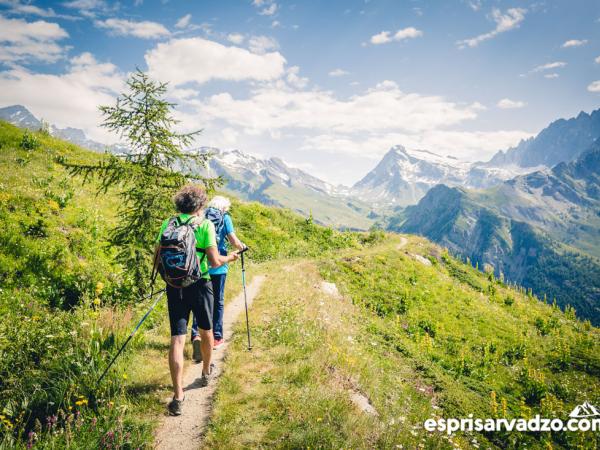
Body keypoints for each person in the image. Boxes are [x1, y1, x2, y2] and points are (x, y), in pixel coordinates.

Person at [156, 185, 239, 416]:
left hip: (175, 288)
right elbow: (213, 261)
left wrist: (171, 278)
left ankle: (178, 395)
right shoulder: (205, 225)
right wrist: (230, 258)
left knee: (177, 339)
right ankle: (205, 372)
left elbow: (157, 257)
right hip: (200, 284)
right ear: (200, 205)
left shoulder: (168, 224)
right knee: (206, 331)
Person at [191, 196, 246, 361]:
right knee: (218, 302)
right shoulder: (225, 218)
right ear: (224, 208)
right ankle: (216, 337)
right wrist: (242, 247)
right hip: (219, 266)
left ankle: (196, 335)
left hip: (200, 266)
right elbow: (234, 240)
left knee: (199, 301)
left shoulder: (201, 215)